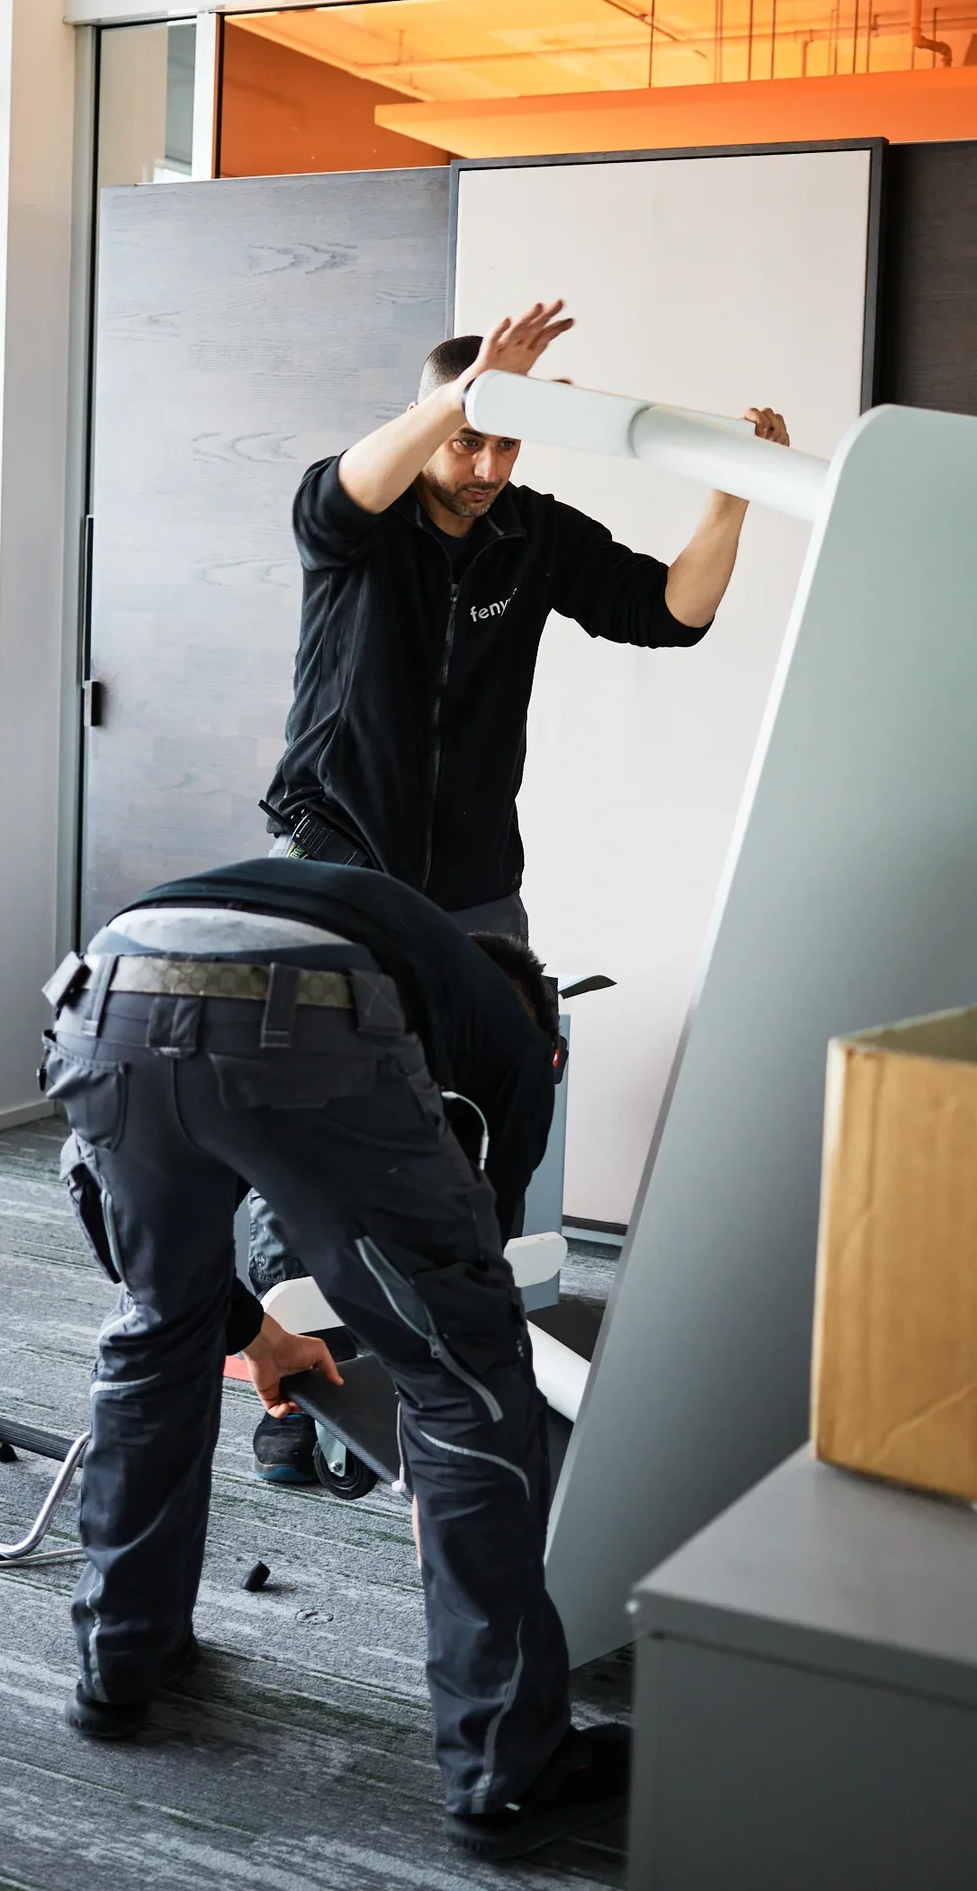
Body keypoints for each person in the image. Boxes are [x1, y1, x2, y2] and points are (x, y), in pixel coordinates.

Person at [248, 301, 788, 1475]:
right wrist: (466, 391)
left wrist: (729, 495)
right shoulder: (358, 521)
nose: (487, 468)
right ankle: (291, 1382)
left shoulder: (530, 535)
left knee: (495, 1101)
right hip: (341, 856)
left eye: (507, 446)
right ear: (432, 419)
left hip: (479, 881)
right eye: (471, 441)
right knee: (317, 1115)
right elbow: (351, 483)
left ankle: (458, 1343)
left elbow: (672, 615)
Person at [41, 856, 628, 1863]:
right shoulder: (519, 1041)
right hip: (301, 1005)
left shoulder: (402, 943)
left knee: (153, 1327)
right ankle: (507, 1767)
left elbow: (117, 1230)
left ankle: (120, 1659)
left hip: (107, 985)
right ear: (551, 1042)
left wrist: (245, 1327)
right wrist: (437, 1456)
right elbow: (477, 1281)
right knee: (469, 1383)